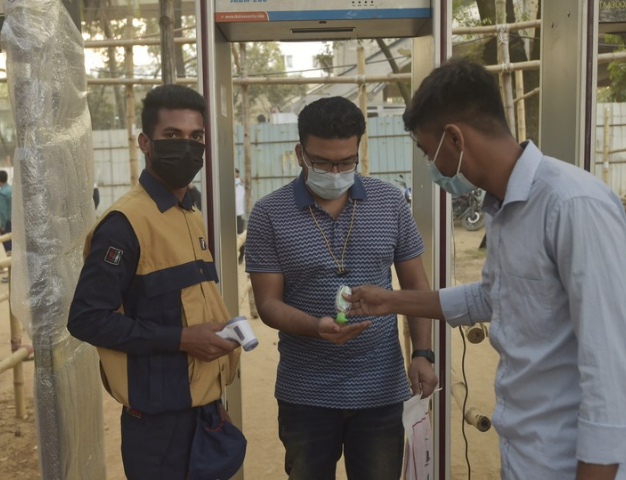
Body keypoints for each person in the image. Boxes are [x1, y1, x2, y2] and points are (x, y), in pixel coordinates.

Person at [346, 58, 626, 480]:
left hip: (579, 461)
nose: (430, 166)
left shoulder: (571, 205)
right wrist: (391, 300)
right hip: (528, 451)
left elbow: (609, 366)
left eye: (427, 150)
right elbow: (491, 297)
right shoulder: (501, 207)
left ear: (454, 138)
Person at [245, 96, 437, 480]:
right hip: (305, 394)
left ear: (358, 151)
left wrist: (422, 353)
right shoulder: (268, 214)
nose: (335, 171)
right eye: (322, 162)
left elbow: (416, 286)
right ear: (300, 153)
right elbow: (267, 303)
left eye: (346, 161)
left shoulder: (390, 203)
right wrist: (316, 326)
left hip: (381, 392)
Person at [68, 84, 243, 480]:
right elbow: (86, 319)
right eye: (172, 136)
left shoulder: (189, 214)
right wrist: (181, 339)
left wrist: (213, 398)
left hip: (205, 413)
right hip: (157, 428)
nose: (186, 147)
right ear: (145, 142)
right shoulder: (123, 224)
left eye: (195, 137)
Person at [0, 170, 12, 283]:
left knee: (9, 249)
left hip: (8, 224)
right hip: (16, 222)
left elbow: (2, 212)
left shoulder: (3, 193)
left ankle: (11, 274)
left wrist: (2, 226)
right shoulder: (12, 189)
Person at [234, 168, 245, 234]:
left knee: (239, 230)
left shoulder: (239, 182)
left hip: (238, 209)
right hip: (234, 209)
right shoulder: (239, 182)